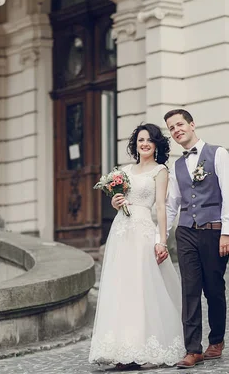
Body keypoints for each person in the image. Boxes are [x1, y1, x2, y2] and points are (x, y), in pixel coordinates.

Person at [88, 123, 185, 370]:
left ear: (156, 145)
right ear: (135, 144)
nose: (144, 144)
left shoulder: (160, 171)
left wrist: (161, 240)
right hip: (121, 231)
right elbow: (119, 201)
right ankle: (121, 349)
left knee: (142, 286)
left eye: (149, 140)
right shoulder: (124, 171)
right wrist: (116, 201)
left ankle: (143, 347)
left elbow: (161, 208)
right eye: (140, 140)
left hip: (143, 230)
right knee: (120, 286)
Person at [157, 109, 229, 369]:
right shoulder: (177, 165)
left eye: (179, 124)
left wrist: (227, 231)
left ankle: (217, 340)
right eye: (171, 128)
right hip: (186, 232)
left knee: (213, 288)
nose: (176, 129)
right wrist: (161, 236)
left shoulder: (218, 154)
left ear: (192, 125)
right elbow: (173, 205)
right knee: (189, 290)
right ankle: (193, 349)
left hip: (214, 231)